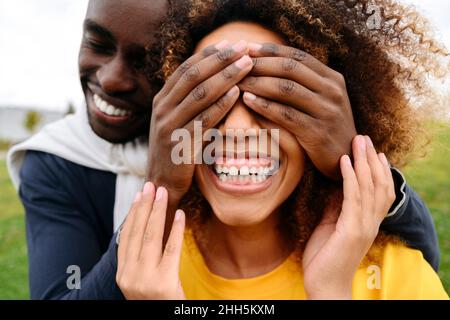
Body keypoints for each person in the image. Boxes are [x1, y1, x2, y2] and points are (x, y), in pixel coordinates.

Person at [6, 0, 442, 299]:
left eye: (275, 98)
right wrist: (161, 190)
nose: (116, 81)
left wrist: (348, 164)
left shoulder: (387, 272)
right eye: (209, 95)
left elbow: (420, 254)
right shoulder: (57, 162)